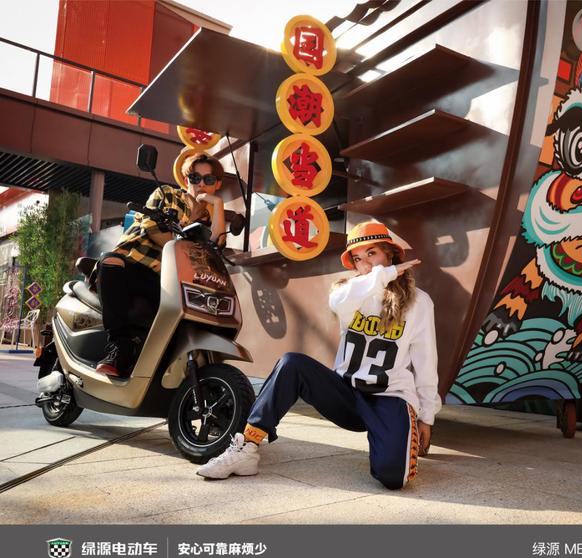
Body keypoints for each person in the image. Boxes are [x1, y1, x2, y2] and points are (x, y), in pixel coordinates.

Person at [197, 221, 441, 490]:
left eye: (372, 253)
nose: (365, 264)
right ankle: (247, 447)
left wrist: (426, 416)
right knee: (292, 364)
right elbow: (340, 301)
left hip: (389, 397)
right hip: (347, 394)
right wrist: (385, 274)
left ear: (390, 253)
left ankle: (391, 437)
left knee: (393, 478)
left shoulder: (419, 302)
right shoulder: (349, 292)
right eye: (358, 259)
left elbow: (426, 362)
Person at [95, 153, 226, 377]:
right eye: (195, 178)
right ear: (186, 180)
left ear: (217, 184)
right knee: (111, 262)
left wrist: (218, 204)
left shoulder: (206, 218)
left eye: (209, 179)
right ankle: (120, 347)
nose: (201, 184)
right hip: (136, 265)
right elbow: (153, 229)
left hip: (169, 281)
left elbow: (217, 244)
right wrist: (181, 245)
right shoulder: (167, 194)